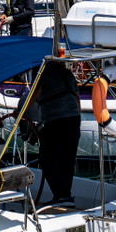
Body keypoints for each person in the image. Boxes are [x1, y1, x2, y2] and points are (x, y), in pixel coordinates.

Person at [31, 58, 81, 207]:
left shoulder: (41, 71)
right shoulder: (67, 73)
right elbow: (77, 97)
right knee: (67, 160)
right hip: (73, 118)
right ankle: (64, 197)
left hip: (56, 119)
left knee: (47, 160)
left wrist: (21, 111)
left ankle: (62, 196)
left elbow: (36, 91)